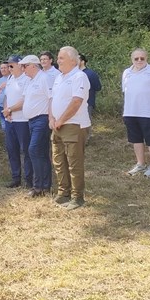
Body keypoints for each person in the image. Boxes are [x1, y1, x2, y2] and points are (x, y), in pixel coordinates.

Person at [49, 46, 91, 210]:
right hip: (57, 125)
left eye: (61, 58)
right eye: (58, 57)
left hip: (73, 124)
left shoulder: (79, 77)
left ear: (73, 61)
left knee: (74, 162)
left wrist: (61, 120)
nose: (58, 61)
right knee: (58, 160)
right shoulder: (59, 77)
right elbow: (52, 99)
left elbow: (76, 102)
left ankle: (77, 197)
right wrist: (51, 118)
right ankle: (63, 192)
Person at [122, 49, 150, 179]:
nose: (139, 61)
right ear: (132, 60)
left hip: (148, 112)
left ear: (146, 58)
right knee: (136, 139)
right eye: (136, 59)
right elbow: (126, 91)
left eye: (142, 58)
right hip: (130, 111)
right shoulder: (126, 72)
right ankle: (140, 163)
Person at [0, 55, 33, 189]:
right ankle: (16, 177)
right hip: (10, 120)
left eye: (11, 65)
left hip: (22, 120)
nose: (9, 68)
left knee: (26, 150)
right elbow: (7, 96)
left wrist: (10, 109)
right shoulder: (11, 78)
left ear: (20, 65)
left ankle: (29, 180)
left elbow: (25, 100)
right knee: (12, 149)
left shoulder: (26, 79)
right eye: (8, 65)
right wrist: (7, 111)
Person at [21, 55, 52, 197]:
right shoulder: (30, 81)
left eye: (25, 66)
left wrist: (51, 117)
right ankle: (45, 185)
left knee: (33, 150)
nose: (23, 69)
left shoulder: (43, 78)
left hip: (42, 119)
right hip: (32, 121)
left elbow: (51, 98)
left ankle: (38, 186)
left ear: (33, 65)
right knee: (41, 153)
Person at [0, 61, 10, 132]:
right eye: (1, 68)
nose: (3, 70)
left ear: (9, 68)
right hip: (0, 106)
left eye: (5, 68)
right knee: (4, 126)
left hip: (9, 107)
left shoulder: (12, 78)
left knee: (9, 126)